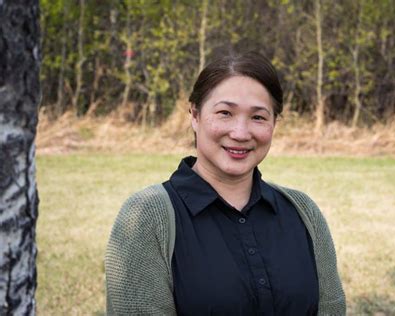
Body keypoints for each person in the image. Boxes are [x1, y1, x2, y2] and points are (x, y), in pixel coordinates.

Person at [105, 51, 345, 315]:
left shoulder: (303, 211)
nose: (240, 133)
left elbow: (332, 308)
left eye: (258, 117)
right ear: (194, 115)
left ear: (274, 123)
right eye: (225, 113)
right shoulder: (147, 217)